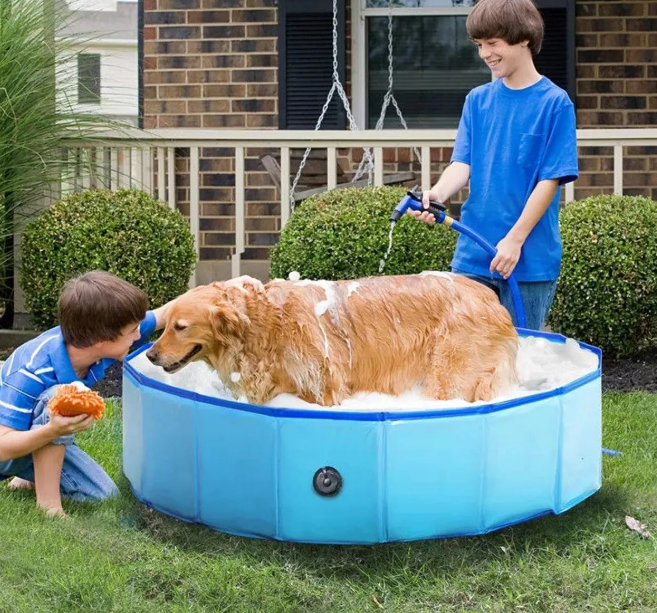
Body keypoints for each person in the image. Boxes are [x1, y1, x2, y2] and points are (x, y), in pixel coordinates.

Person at [410, 0, 578, 330]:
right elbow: (462, 163)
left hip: (529, 258)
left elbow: (549, 181)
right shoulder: (478, 101)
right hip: (474, 252)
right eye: (479, 45)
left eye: (493, 43)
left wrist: (515, 240)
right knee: (465, 355)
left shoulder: (555, 104)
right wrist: (437, 194)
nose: (485, 53)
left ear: (523, 39)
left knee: (520, 358)